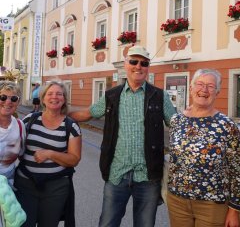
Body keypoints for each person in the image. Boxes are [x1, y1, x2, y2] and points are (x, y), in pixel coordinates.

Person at [69, 45, 176, 227]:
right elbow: (89, 113)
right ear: (125, 65)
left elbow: (176, 124)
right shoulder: (111, 95)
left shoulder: (159, 96)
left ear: (148, 67)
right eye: (134, 61)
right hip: (117, 173)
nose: (138, 66)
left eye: (144, 63)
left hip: (148, 175)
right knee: (108, 223)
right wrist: (59, 116)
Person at [167, 69, 240, 227]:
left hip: (212, 205)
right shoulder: (176, 120)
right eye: (199, 84)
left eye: (210, 86)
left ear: (218, 92)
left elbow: (237, 169)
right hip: (177, 201)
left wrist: (235, 209)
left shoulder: (227, 125)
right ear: (191, 88)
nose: (204, 90)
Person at [14, 80, 82, 227]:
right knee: (24, 223)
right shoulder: (29, 120)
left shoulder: (71, 126)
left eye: (59, 94)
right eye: (50, 93)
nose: (54, 97)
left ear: (64, 99)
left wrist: (50, 154)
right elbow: (15, 147)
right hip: (26, 184)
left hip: (56, 188)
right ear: (43, 98)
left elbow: (74, 159)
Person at [0, 81, 26, 225]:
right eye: (3, 97)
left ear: (18, 102)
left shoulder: (20, 126)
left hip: (8, 189)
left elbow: (22, 154)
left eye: (13, 98)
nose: (8, 102)